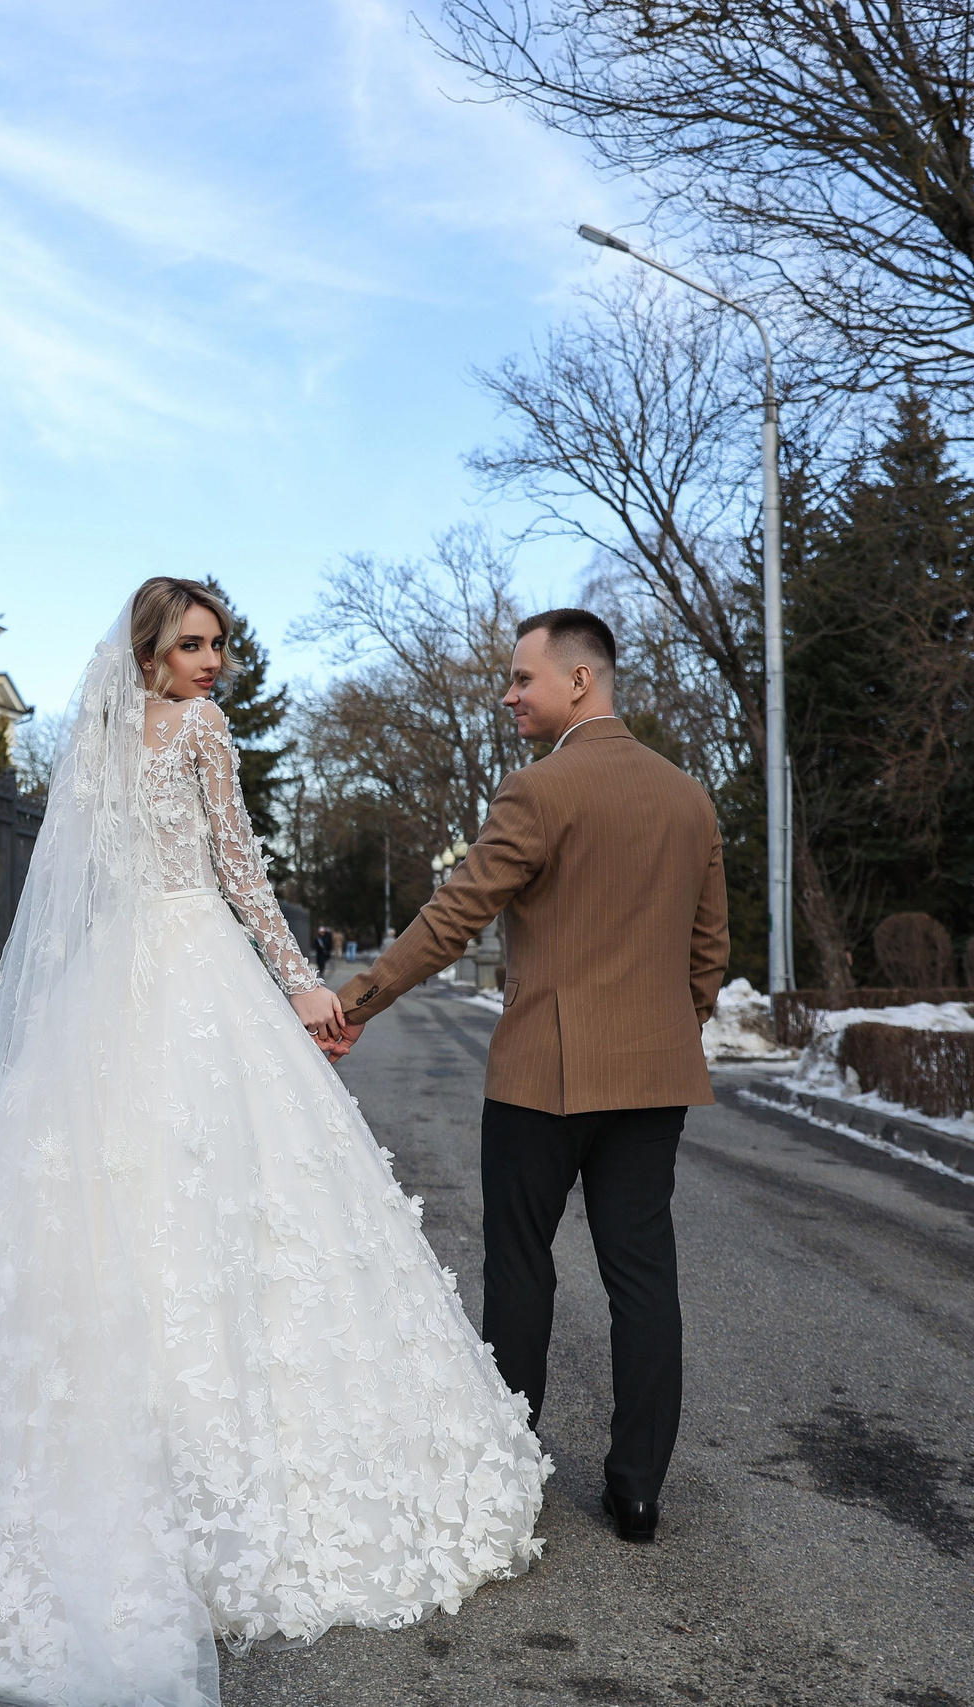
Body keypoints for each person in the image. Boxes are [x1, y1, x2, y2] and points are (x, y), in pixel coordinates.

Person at [0, 579, 548, 1707]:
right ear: (147, 653)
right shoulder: (201, 732)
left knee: (106, 1210)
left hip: (112, 988)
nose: (212, 664)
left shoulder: (92, 736)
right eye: (191, 645)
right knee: (221, 1204)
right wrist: (301, 989)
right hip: (192, 974)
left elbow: (83, 889)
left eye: (219, 645)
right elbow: (237, 873)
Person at [328, 608, 727, 1547]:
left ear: (579, 682)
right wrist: (673, 1025)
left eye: (521, 678)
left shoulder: (540, 791)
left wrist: (358, 999)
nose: (508, 695)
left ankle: (511, 1465)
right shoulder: (689, 798)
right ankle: (637, 1492)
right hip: (652, 1076)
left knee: (520, 1266)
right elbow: (707, 950)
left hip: (541, 1078)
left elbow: (452, 916)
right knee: (644, 1273)